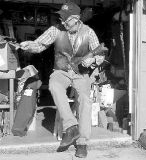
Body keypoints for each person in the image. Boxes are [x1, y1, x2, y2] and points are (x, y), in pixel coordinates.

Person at [20, 1, 105, 158]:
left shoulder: (89, 32)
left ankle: (82, 143)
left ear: (76, 18)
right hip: (62, 71)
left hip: (81, 73)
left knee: (85, 101)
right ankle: (71, 126)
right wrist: (29, 45)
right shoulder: (56, 30)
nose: (63, 22)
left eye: (66, 19)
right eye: (62, 18)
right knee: (54, 85)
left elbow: (100, 54)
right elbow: (39, 45)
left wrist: (92, 61)